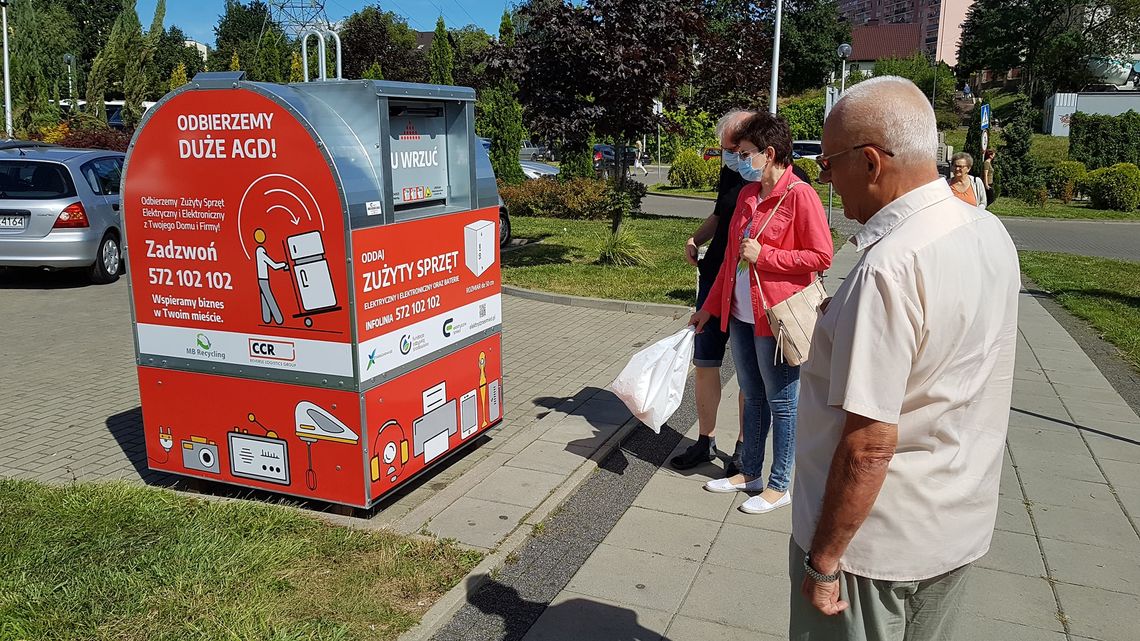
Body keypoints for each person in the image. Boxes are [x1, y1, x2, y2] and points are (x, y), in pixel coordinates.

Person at [790, 76, 1020, 640]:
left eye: (828, 161)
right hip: (955, 521)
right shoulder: (989, 232)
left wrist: (823, 562)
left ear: (870, 162)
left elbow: (869, 444)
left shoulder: (890, 266)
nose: (822, 177)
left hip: (871, 550)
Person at [690, 111, 832, 514]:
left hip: (776, 315)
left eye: (747, 152)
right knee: (752, 396)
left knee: (782, 402)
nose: (740, 159)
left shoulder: (799, 194)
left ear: (768, 154)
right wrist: (710, 309)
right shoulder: (748, 197)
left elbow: (821, 255)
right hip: (740, 312)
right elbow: (732, 259)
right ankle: (749, 472)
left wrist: (766, 255)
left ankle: (779, 483)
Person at [674, 110, 750, 475]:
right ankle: (705, 441)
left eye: (735, 150)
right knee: (705, 363)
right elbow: (720, 216)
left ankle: (743, 450)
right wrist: (695, 239)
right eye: (726, 151)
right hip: (712, 278)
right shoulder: (730, 173)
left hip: (746, 285)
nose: (731, 158)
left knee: (749, 370)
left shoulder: (782, 178)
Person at [254, 228, 288, 325]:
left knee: (264, 297)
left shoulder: (259, 250)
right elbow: (273, 265)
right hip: (263, 279)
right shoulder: (260, 250)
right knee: (269, 296)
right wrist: (283, 264)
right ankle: (279, 319)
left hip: (262, 279)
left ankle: (267, 319)